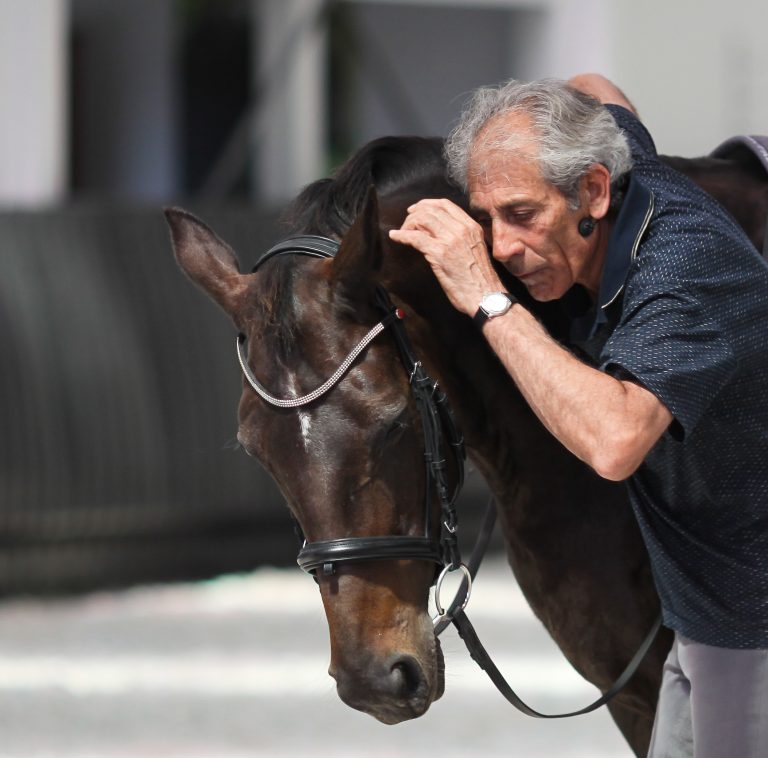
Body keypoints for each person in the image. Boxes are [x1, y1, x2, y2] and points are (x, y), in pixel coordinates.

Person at [389, 74, 768, 757]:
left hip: (752, 621)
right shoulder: (625, 162)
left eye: (522, 214)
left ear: (593, 191)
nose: (501, 247)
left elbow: (616, 439)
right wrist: (517, 128)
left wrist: (487, 300)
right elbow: (598, 88)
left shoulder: (689, 264)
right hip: (701, 616)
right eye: (487, 217)